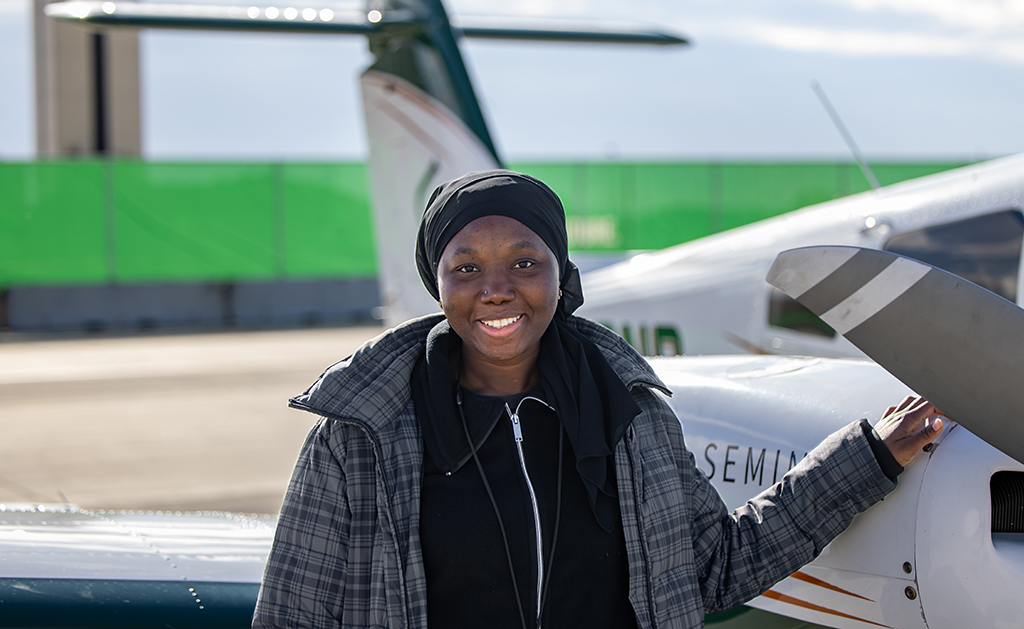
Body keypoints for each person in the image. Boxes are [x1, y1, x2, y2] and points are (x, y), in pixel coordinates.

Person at [252, 170, 942, 629]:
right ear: (438, 286)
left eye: (526, 261)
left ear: (561, 276)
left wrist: (865, 459)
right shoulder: (357, 436)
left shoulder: (631, 416)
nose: (497, 288)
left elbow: (716, 565)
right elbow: (291, 614)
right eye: (466, 267)